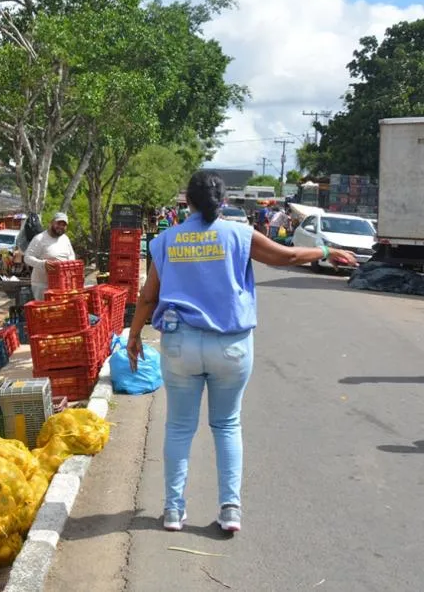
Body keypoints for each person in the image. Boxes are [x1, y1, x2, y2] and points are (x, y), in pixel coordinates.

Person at [126, 171, 356, 534]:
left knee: (180, 428)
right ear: (224, 202)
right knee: (227, 424)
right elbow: (287, 257)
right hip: (230, 347)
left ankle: (173, 511)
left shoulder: (166, 240)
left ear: (187, 200)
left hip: (181, 345)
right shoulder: (240, 235)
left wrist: (134, 335)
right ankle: (230, 510)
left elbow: (148, 296)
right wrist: (326, 251)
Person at [24, 212, 76, 300]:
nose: (61, 227)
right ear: (51, 223)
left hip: (61, 283)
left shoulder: (65, 238)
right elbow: (27, 258)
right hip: (42, 285)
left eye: (64, 225)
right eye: (58, 223)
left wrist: (68, 266)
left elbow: (71, 255)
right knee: (44, 310)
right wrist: (43, 264)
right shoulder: (39, 239)